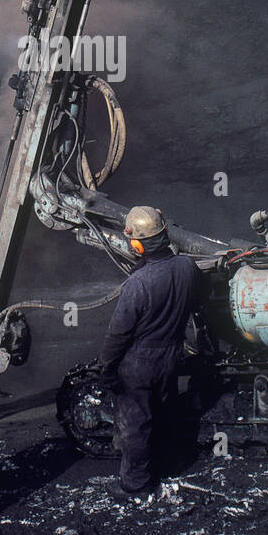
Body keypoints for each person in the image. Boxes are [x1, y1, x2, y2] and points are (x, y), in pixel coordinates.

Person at [98, 206, 200, 498]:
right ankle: (168, 465)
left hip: (139, 362)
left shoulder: (137, 284)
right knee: (164, 412)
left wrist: (106, 368)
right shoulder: (187, 267)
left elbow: (117, 336)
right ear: (165, 233)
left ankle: (137, 484)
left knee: (135, 426)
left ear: (137, 244)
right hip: (170, 356)